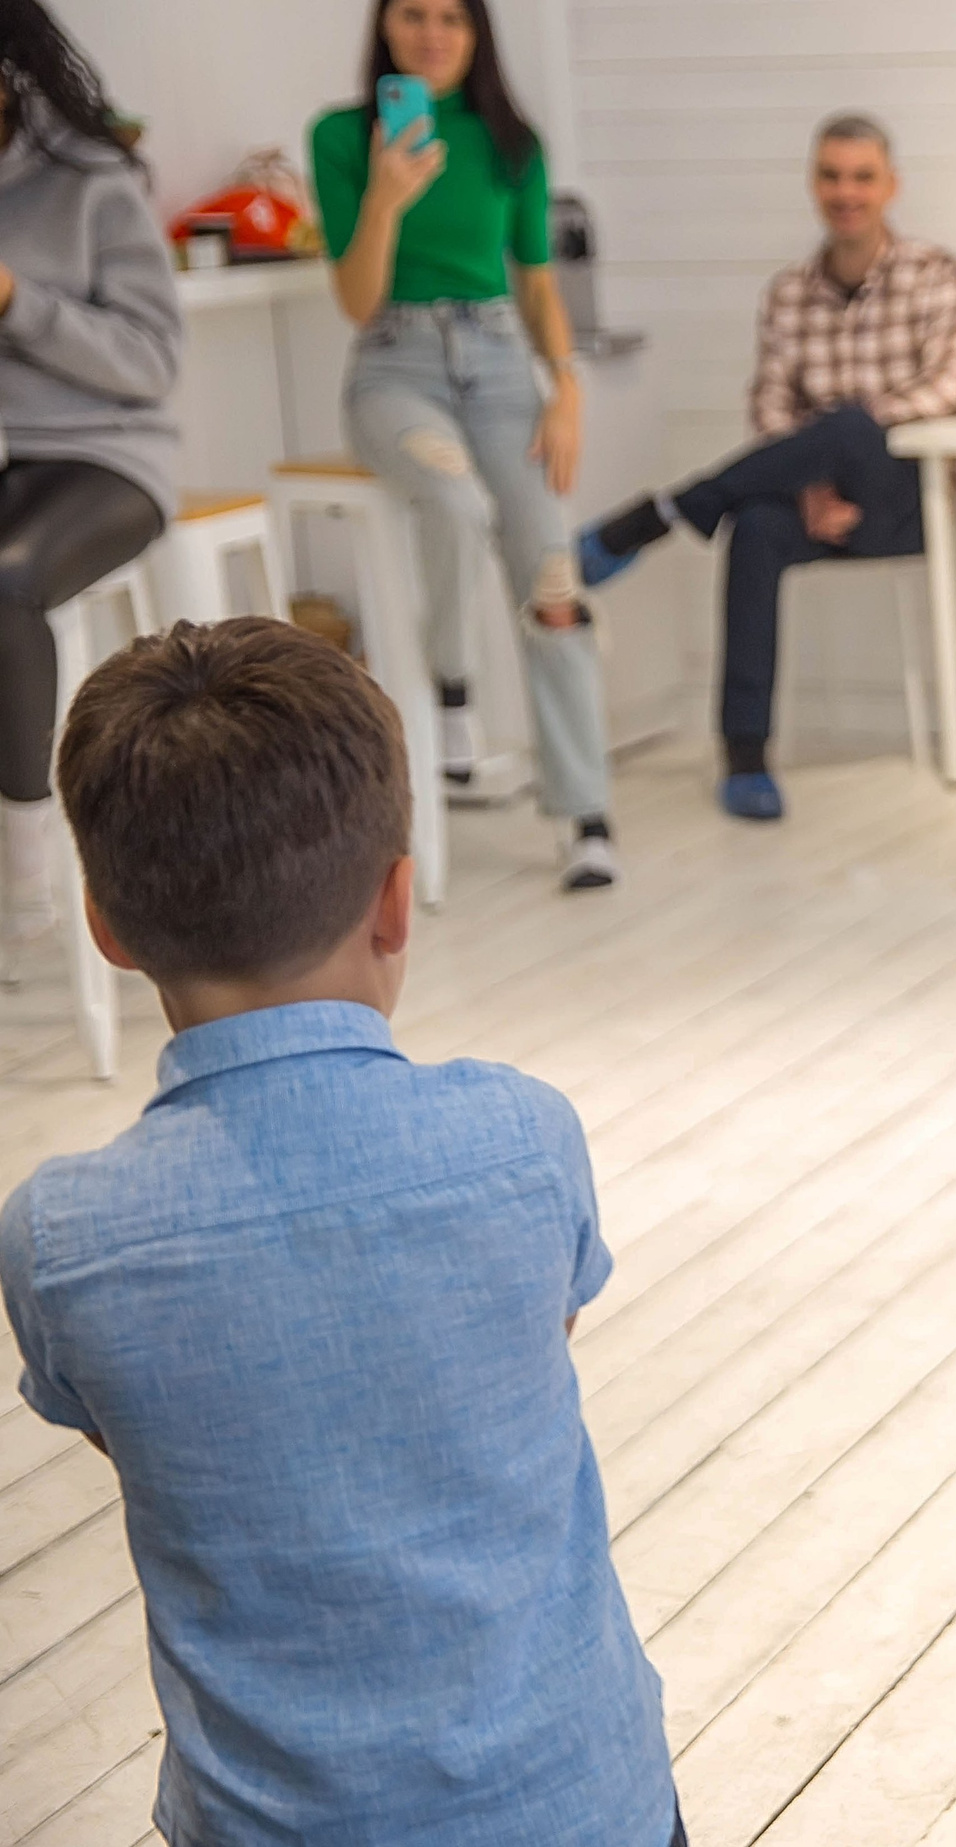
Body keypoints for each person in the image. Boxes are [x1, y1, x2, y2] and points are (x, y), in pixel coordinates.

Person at [0, 618, 682, 1845]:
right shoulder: (522, 1137)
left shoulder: (61, 1235)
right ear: (394, 899)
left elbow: (138, 1432)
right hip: (584, 1802)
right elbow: (521, 1345)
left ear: (107, 924)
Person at [577, 112, 956, 823]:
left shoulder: (936, 274)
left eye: (861, 177)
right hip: (809, 498)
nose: (845, 192)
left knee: (855, 422)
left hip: (908, 501)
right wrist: (810, 484)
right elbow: (769, 407)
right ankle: (745, 755)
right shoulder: (789, 293)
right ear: (812, 183)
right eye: (830, 175)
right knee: (756, 527)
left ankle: (667, 511)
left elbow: (946, 389)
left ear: (890, 186)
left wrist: (843, 438)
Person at [310, 0, 623, 892]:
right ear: (386, 27)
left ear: (477, 32)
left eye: (452, 16)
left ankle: (587, 812)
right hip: (392, 366)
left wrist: (564, 385)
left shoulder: (511, 143)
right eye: (413, 14)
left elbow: (536, 283)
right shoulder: (342, 137)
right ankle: (451, 694)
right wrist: (385, 196)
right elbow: (357, 301)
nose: (432, 32)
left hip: (498, 364)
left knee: (549, 572)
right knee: (452, 502)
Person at [0, 0, 178, 946]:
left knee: (4, 578)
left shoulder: (91, 182)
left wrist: (17, 303)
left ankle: (24, 848)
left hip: (107, 455)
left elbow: (153, 362)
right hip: (9, 465)